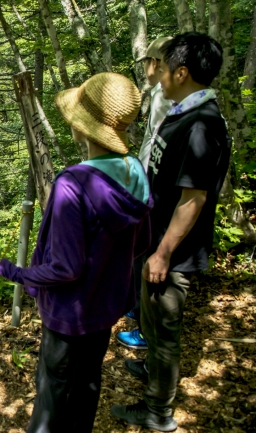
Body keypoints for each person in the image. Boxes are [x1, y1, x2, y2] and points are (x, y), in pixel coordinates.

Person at [0, 72, 152, 433]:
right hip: (105, 307)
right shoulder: (135, 170)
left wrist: (13, 272)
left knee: (51, 396)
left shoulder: (71, 185)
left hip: (68, 314)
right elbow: (143, 242)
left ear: (84, 126)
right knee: (88, 384)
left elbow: (65, 267)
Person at [111, 32, 230, 432]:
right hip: (156, 239)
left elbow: (193, 199)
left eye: (162, 67)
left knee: (164, 333)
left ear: (181, 72)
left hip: (172, 252)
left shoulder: (202, 125)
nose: (157, 75)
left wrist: (162, 253)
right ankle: (153, 373)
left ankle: (157, 412)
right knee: (152, 322)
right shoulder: (183, 111)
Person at [117, 36, 173, 351]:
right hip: (149, 183)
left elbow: (159, 146)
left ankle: (144, 325)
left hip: (155, 187)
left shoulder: (168, 98)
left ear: (156, 63)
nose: (147, 70)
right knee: (140, 248)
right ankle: (137, 308)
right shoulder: (159, 95)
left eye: (148, 63)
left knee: (146, 249)